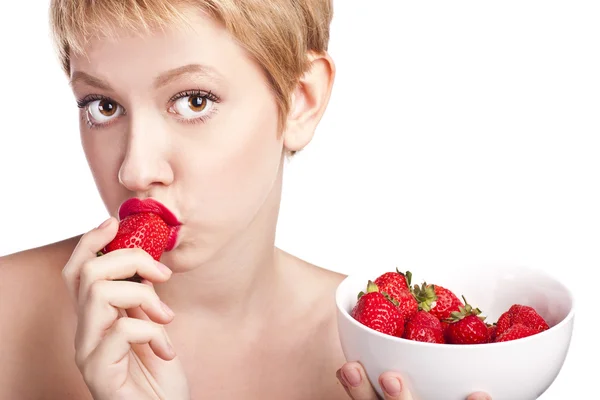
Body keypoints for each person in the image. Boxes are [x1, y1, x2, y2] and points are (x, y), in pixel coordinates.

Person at [0, 1, 492, 399]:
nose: (136, 169)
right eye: (103, 106)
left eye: (194, 100)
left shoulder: (398, 350)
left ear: (301, 99)